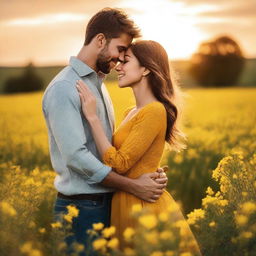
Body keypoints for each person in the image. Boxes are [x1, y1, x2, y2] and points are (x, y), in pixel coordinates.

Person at [42, 8, 167, 255]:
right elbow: (77, 158)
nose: (120, 59)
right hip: (81, 210)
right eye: (120, 49)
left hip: (107, 204)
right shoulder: (65, 88)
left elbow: (112, 149)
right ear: (100, 40)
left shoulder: (98, 85)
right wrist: (133, 185)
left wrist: (148, 171)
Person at [76, 40, 202, 254]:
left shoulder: (154, 111)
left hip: (142, 207)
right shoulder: (131, 112)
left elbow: (120, 163)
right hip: (126, 200)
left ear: (145, 69)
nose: (118, 67)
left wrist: (92, 118)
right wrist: (153, 171)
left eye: (126, 61)